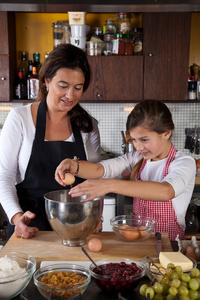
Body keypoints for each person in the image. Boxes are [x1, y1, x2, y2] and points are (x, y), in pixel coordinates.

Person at [55, 99, 196, 241]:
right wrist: (74, 165)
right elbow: (100, 169)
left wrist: (109, 185)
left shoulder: (183, 162)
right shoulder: (136, 158)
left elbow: (166, 191)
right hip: (139, 245)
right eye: (134, 140)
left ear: (166, 133)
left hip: (170, 248)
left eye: (144, 140)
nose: (138, 147)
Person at [0, 44, 101, 240]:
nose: (70, 95)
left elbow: (95, 177)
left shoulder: (87, 126)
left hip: (76, 227)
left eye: (78, 88)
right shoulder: (20, 119)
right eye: (63, 86)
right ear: (47, 81)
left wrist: (95, 214)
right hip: (28, 226)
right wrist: (17, 217)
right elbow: (4, 175)